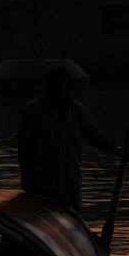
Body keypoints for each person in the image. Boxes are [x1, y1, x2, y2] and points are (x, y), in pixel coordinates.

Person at [18, 61, 118, 211]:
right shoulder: (33, 111)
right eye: (57, 85)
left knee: (72, 217)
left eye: (65, 85)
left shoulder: (76, 110)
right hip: (41, 182)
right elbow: (25, 150)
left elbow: (94, 136)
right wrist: (28, 178)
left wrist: (115, 149)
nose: (62, 90)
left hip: (70, 179)